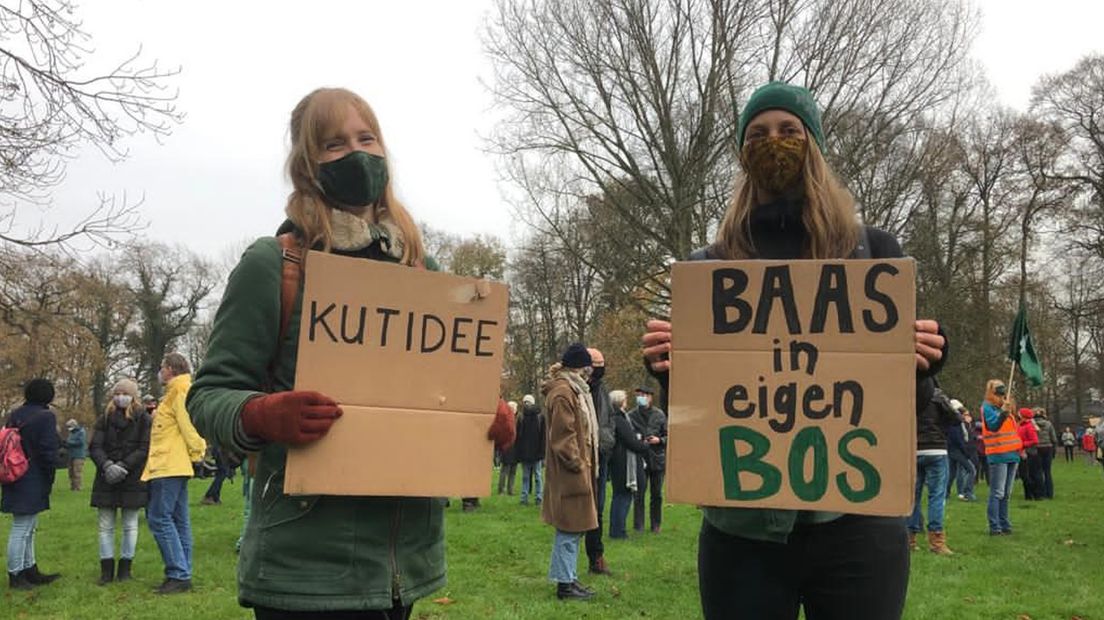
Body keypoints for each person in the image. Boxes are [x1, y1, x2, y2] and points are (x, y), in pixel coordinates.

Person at [186, 87, 513, 619]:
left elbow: (433, 398)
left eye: (367, 138)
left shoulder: (418, 271)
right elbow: (208, 395)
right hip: (306, 571)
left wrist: (482, 418)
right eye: (334, 144)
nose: (357, 154)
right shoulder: (274, 264)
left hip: (403, 570)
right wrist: (261, 414)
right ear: (306, 165)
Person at [641, 82, 948, 620]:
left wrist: (924, 362)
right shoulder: (706, 268)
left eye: (789, 130)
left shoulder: (874, 253)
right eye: (757, 133)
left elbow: (909, 409)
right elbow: (701, 416)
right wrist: (670, 371)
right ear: (741, 153)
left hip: (857, 528)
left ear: (815, 145)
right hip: (742, 534)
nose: (773, 141)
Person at [141, 352, 207, 594]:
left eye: (161, 366)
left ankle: (178, 573)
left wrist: (198, 452)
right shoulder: (176, 392)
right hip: (174, 465)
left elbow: (188, 425)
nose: (160, 371)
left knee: (159, 518)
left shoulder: (179, 392)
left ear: (170, 368)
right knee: (179, 521)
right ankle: (182, 572)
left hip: (168, 466)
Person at [542, 343, 598, 601]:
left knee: (573, 528)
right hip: (570, 472)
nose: (590, 372)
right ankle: (565, 584)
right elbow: (564, 438)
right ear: (579, 366)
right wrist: (578, 464)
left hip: (574, 470)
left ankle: (569, 577)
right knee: (569, 528)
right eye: (587, 366)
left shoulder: (571, 390)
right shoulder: (564, 393)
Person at [89, 378, 152, 585]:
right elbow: (95, 446)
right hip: (106, 477)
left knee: (130, 525)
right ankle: (106, 571)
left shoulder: (144, 418)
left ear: (133, 396)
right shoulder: (105, 417)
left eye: (124, 393)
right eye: (117, 393)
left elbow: (144, 448)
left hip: (132, 477)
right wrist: (107, 465)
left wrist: (124, 466)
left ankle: (125, 569)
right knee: (105, 525)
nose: (120, 397)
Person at [2, 378, 62, 590]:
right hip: (33, 476)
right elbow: (48, 451)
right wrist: (51, 474)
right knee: (22, 527)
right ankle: (16, 573)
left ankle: (29, 568)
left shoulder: (15, 415)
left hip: (14, 473)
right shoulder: (45, 417)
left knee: (28, 526)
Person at [908, 388, 957, 555]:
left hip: (913, 448)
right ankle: (937, 542)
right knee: (936, 496)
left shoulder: (907, 393)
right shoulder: (938, 395)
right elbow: (955, 418)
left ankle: (909, 539)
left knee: (912, 497)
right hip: (936, 449)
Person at [584, 347, 615, 575]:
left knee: (599, 507)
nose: (600, 369)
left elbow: (610, 418)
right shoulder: (579, 389)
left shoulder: (603, 391)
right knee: (582, 508)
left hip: (601, 453)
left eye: (602, 364)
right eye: (596, 364)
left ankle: (596, 556)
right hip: (584, 455)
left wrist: (608, 439)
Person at [606, 390, 651, 540]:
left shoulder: (613, 418)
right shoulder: (620, 420)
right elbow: (631, 441)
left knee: (619, 496)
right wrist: (645, 445)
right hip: (624, 462)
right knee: (623, 497)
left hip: (617, 462)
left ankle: (616, 529)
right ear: (621, 402)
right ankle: (618, 531)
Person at [981, 380, 1022, 536]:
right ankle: (995, 526)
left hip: (1012, 453)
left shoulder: (1007, 408)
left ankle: (1004, 523)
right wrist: (1003, 413)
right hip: (998, 453)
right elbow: (993, 426)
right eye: (998, 389)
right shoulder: (988, 408)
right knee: (997, 492)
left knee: (1006, 493)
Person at [629, 386, 666, 534]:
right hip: (640, 458)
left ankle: (656, 524)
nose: (641, 397)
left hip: (657, 459)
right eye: (639, 395)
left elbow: (669, 435)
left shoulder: (659, 415)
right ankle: (638, 525)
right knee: (639, 494)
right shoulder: (631, 415)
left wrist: (660, 440)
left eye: (644, 395)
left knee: (656, 494)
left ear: (651, 397)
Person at [516, 394, 546, 506]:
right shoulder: (540, 417)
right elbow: (543, 436)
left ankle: (525, 498)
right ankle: (538, 498)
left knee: (527, 477)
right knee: (537, 477)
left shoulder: (522, 417)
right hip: (535, 452)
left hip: (527, 453)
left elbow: (518, 437)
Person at [945, 400, 977, 501]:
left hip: (952, 450)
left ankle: (946, 493)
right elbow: (959, 439)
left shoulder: (952, 421)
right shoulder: (956, 423)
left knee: (952, 473)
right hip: (957, 450)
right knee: (971, 470)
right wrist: (965, 451)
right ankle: (968, 493)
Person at [1017, 408, 1041, 500]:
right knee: (1024, 475)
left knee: (1029, 475)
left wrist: (1023, 444)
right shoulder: (1020, 425)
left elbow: (1035, 440)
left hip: (1029, 453)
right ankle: (1028, 495)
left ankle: (1034, 494)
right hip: (1022, 451)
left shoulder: (1029, 426)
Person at [1033, 408, 1057, 499]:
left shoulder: (1032, 424)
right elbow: (1053, 438)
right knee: (1047, 472)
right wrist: (1054, 448)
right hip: (1048, 447)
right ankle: (1050, 493)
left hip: (1037, 448)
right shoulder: (1049, 424)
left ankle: (1041, 493)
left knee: (1038, 471)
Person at [497, 401, 519, 496]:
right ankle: (502, 489)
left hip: (514, 448)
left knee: (512, 471)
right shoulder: (507, 419)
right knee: (505, 470)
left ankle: (510, 489)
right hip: (507, 447)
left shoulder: (517, 419)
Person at [65, 418, 88, 491]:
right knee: (71, 472)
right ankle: (72, 487)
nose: (69, 428)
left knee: (77, 472)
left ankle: (77, 488)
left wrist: (69, 442)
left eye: (70, 426)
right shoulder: (72, 433)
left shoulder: (81, 432)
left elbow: (80, 442)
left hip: (79, 455)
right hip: (71, 455)